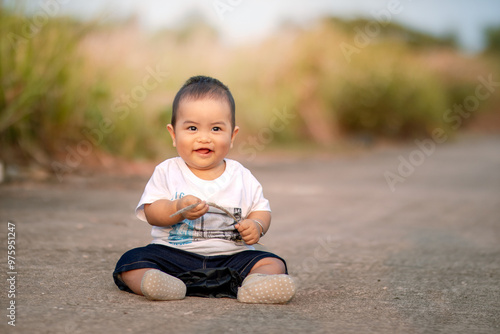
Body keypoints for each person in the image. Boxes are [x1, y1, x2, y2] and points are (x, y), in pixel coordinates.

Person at [113, 75, 296, 304]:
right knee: (131, 260)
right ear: (173, 134)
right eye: (192, 128)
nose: (204, 138)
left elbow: (261, 210)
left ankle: (255, 285)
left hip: (231, 259)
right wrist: (176, 208)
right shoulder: (168, 171)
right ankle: (159, 284)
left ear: (232, 136)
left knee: (273, 262)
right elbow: (151, 212)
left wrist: (256, 225)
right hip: (174, 258)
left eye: (216, 128)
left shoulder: (241, 176)